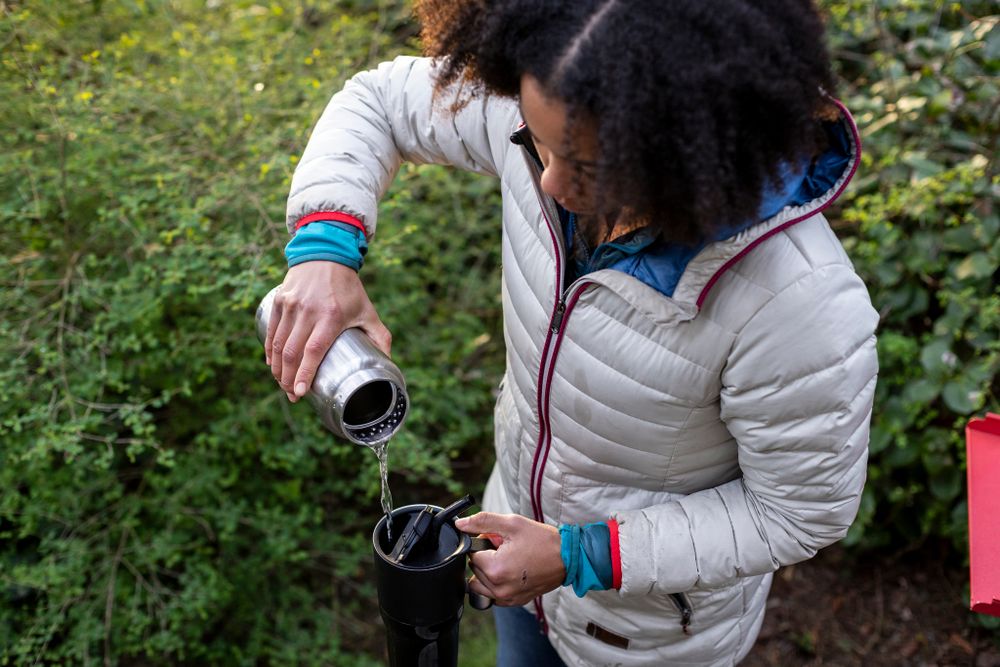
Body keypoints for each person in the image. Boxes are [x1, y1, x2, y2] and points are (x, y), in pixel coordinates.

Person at [264, 0, 879, 664]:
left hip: (651, 636)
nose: (548, 181)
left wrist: (577, 554)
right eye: (537, 140)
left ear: (690, 159)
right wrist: (325, 251)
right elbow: (381, 101)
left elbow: (798, 511)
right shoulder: (554, 105)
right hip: (521, 583)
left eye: (589, 170)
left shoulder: (798, 303)